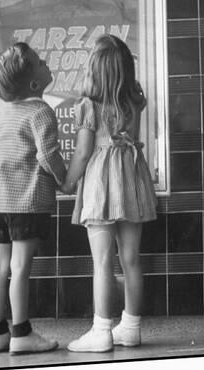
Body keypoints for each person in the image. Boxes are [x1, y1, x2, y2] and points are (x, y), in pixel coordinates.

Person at [60, 34, 157, 352]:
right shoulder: (134, 100)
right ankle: (130, 326)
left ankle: (101, 330)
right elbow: (134, 140)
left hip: (101, 184)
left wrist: (69, 182)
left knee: (102, 262)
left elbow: (84, 153)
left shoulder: (88, 106)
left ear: (94, 70)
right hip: (131, 178)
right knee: (131, 259)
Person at [0, 42, 66, 354]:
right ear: (35, 84)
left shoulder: (4, 115)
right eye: (40, 61)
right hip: (26, 202)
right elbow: (48, 155)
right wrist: (64, 181)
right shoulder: (41, 111)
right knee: (20, 268)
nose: (46, 61)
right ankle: (21, 333)